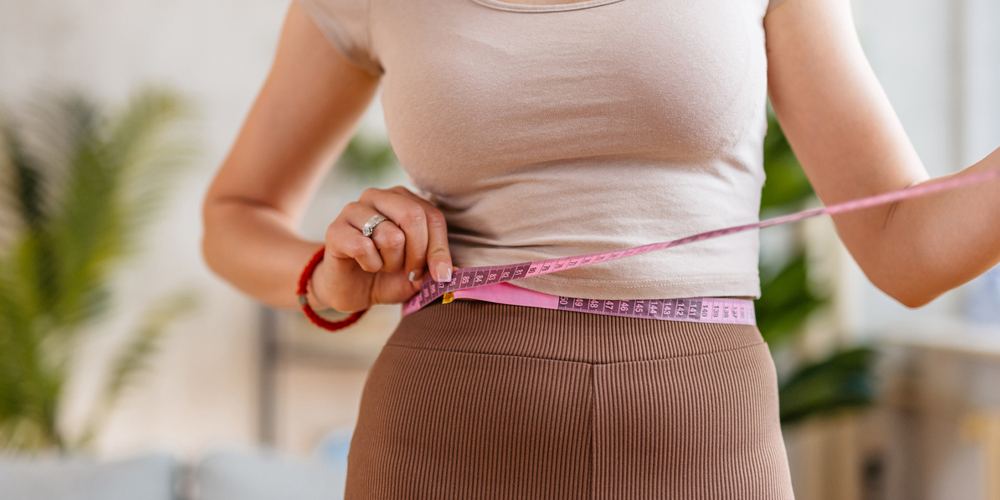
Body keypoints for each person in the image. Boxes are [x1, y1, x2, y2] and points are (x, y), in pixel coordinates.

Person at [200, 0, 1000, 497]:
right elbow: (235, 215)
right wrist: (327, 278)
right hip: (443, 433)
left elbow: (905, 247)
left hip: (703, 432)